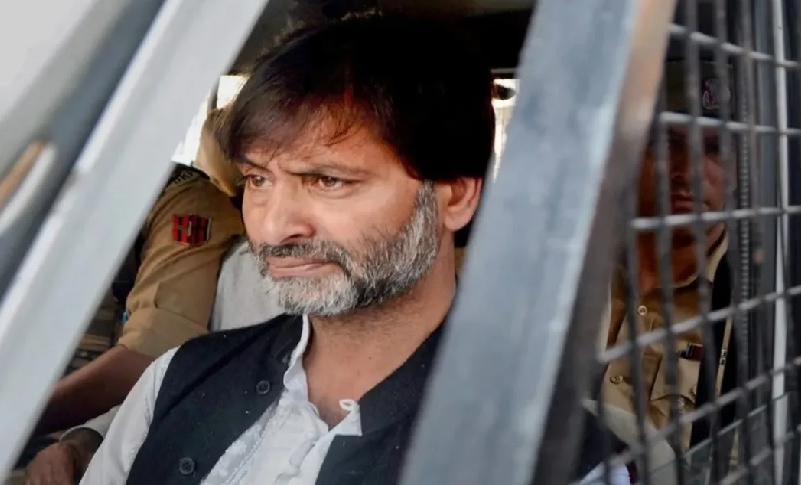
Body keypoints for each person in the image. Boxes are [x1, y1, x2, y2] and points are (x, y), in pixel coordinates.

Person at [79, 14, 631, 485]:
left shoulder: (552, 460)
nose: (274, 226)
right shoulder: (177, 380)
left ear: (455, 197)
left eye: (328, 181)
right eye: (258, 180)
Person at [22, 111, 246, 485]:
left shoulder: (180, 198)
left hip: (78, 441)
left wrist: (8, 420)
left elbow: (149, 356)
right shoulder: (19, 191)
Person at [599, 60, 738, 452]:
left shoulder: (755, 307)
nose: (689, 172)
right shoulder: (571, 270)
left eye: (715, 149)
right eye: (667, 144)